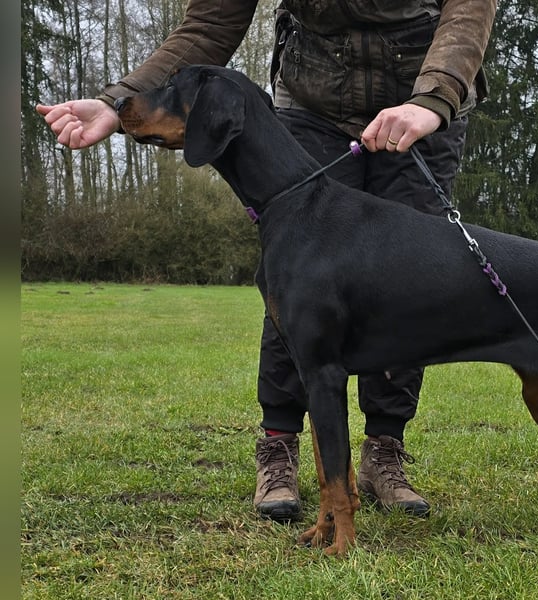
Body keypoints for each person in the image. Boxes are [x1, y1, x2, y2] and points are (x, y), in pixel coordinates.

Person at [37, 0, 497, 523]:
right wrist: (119, 103)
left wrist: (435, 97)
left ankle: (382, 452)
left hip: (419, 97)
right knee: (298, 279)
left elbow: (469, 7)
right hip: (313, 102)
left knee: (405, 284)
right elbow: (211, 21)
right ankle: (279, 446)